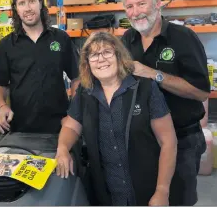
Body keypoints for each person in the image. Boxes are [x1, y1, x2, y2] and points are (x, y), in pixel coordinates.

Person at [55, 31, 177, 206]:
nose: (101, 59)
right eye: (94, 55)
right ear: (87, 64)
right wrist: (62, 148)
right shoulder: (84, 92)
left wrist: (162, 191)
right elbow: (72, 126)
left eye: (107, 52)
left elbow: (168, 141)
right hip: (104, 194)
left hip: (146, 191)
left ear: (119, 56)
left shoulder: (145, 88)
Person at [120, 0, 211, 206]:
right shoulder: (127, 40)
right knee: (148, 197)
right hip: (142, 140)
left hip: (183, 140)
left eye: (141, 4)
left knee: (178, 199)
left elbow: (201, 92)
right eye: (129, 7)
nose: (135, 12)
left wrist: (154, 74)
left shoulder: (183, 38)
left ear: (157, 2)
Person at [0, 0, 79, 133]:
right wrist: (2, 106)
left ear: (40, 3)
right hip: (20, 128)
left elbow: (77, 77)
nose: (28, 8)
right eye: (22, 3)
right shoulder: (6, 45)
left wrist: (75, 112)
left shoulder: (61, 38)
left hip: (60, 127)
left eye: (31, 1)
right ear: (16, 9)